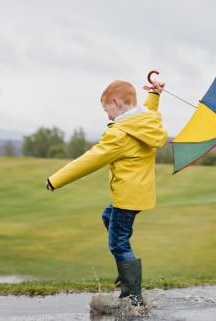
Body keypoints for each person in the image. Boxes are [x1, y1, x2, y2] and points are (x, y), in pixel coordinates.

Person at [45, 79, 168, 306]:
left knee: (118, 243)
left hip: (127, 198)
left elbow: (90, 160)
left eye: (107, 110)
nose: (108, 116)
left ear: (116, 102)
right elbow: (149, 109)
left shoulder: (120, 134)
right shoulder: (144, 121)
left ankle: (133, 298)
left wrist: (56, 179)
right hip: (140, 193)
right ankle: (128, 275)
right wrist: (155, 93)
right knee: (107, 216)